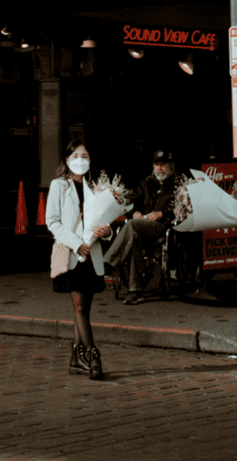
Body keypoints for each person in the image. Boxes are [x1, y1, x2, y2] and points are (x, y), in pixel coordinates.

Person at [45, 139, 112, 380]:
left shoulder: (96, 188)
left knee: (83, 309)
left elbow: (104, 222)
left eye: (85, 156)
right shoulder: (58, 186)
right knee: (80, 307)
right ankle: (93, 356)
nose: (80, 161)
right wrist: (77, 244)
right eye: (75, 156)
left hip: (92, 256)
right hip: (73, 255)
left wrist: (107, 232)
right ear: (67, 160)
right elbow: (52, 221)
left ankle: (76, 358)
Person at [105, 148, 175, 304]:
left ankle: (110, 260)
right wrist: (134, 212)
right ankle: (135, 291)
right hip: (139, 227)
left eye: (163, 164)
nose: (159, 168)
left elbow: (182, 209)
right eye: (157, 164)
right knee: (134, 235)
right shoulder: (146, 183)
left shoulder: (177, 186)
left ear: (171, 166)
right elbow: (128, 200)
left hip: (162, 227)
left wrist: (162, 213)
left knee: (132, 226)